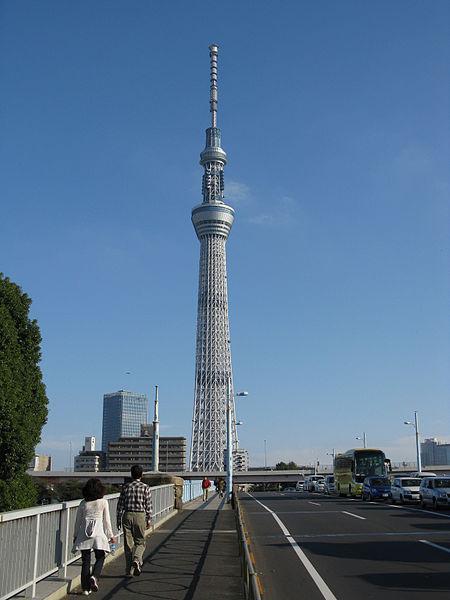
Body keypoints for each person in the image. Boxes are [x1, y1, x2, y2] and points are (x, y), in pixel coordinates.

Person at [73, 478, 116, 595]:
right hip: (98, 534)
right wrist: (111, 536)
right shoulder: (103, 502)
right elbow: (107, 521)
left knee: (85, 561)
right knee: (100, 556)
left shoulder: (83, 503)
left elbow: (78, 522)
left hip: (84, 534)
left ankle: (85, 589)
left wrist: (75, 536)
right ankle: (95, 576)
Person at [116, 464, 152, 577]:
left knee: (128, 544)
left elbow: (120, 505)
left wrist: (118, 519)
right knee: (140, 542)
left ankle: (128, 571)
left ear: (131, 475)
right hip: (140, 516)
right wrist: (149, 519)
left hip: (127, 515)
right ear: (141, 475)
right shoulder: (145, 487)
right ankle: (137, 559)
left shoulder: (126, 487)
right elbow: (148, 505)